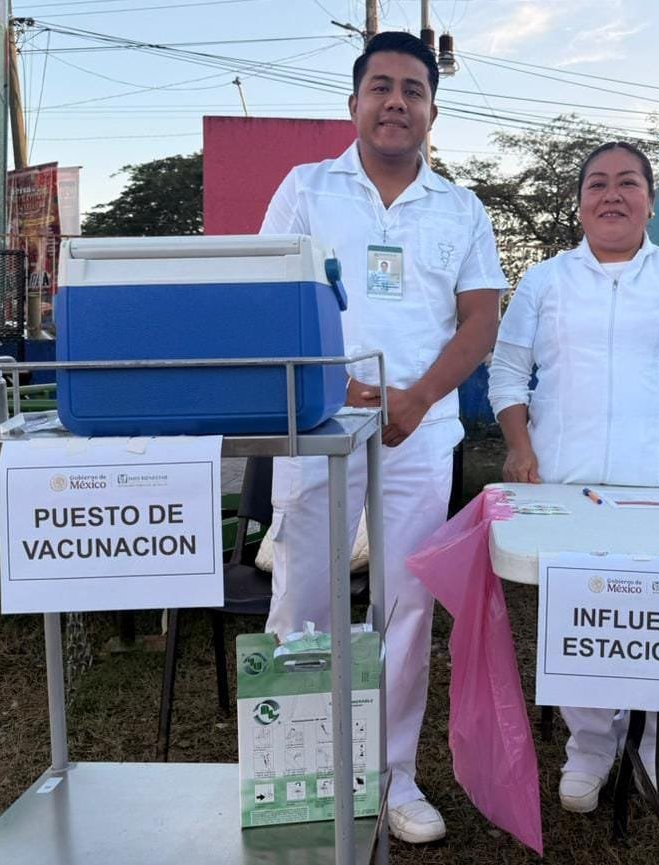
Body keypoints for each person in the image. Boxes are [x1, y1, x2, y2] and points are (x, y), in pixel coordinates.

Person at [259, 31, 505, 843]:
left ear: (433, 110)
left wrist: (417, 398)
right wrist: (339, 389)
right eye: (381, 87)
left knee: (405, 605)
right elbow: (271, 301)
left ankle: (391, 773)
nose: (397, 101)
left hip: (421, 433)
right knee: (305, 594)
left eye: (413, 90)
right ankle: (295, 773)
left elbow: (480, 321)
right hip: (319, 423)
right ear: (354, 102)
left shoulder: (460, 209)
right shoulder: (305, 189)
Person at [487, 141, 659, 813]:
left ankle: (652, 740)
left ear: (650, 201)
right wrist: (519, 447)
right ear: (578, 202)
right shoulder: (544, 281)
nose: (612, 195)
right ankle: (590, 744)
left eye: (627, 182)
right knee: (581, 610)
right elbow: (508, 371)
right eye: (597, 184)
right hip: (564, 480)